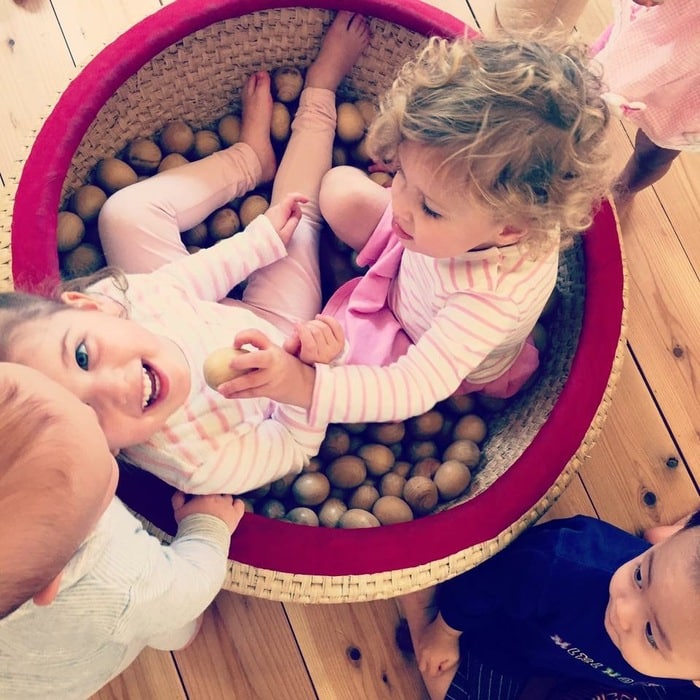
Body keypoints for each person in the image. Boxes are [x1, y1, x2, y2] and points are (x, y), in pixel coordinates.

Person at [0, 12, 370, 496]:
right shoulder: (198, 462)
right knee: (304, 223)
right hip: (279, 336)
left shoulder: (121, 304)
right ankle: (321, 92)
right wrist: (304, 374)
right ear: (99, 456)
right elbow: (293, 446)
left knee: (124, 214)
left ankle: (249, 159)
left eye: (84, 356)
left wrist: (256, 240)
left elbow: (187, 284)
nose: (117, 387)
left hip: (198, 304)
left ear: (88, 307)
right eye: (89, 418)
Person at [220, 33, 612, 429]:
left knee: (335, 365)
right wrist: (419, 200)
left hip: (413, 332)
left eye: (430, 206)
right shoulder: (461, 215)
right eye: (403, 173)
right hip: (417, 259)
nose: (400, 203)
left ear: (511, 228)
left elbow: (412, 386)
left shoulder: (487, 302)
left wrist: (302, 385)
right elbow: (406, 206)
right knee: (338, 189)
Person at [0, 363, 245, 699]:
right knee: (167, 621)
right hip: (74, 667)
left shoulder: (41, 526)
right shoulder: (114, 576)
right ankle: (179, 636)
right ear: (51, 583)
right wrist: (206, 526)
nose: (94, 420)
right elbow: (188, 586)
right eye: (102, 454)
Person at [399, 511, 700, 699]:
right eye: (639, 575)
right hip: (510, 637)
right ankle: (422, 598)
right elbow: (487, 583)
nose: (623, 610)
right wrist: (445, 631)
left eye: (651, 633)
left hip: (619, 676)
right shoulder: (560, 563)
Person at [589, 0, 700, 208]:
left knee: (656, 152)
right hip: (658, 30)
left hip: (692, 84)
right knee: (591, 93)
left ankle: (623, 190)